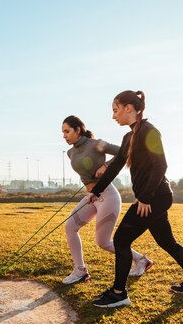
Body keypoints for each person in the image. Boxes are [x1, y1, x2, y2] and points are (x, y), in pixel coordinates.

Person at [89, 90, 183, 308]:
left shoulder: (150, 131)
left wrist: (145, 197)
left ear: (129, 108)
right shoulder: (129, 137)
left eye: (115, 110)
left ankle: (118, 293)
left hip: (155, 197)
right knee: (166, 241)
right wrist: (96, 191)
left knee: (122, 240)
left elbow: (160, 165)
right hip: (152, 198)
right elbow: (115, 166)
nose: (113, 116)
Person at [61, 115, 153, 285]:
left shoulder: (96, 144)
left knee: (103, 242)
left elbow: (124, 152)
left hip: (108, 195)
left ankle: (141, 260)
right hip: (92, 196)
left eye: (67, 131)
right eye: (63, 133)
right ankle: (80, 270)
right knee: (70, 226)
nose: (64, 135)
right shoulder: (70, 152)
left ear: (78, 129)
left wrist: (106, 165)